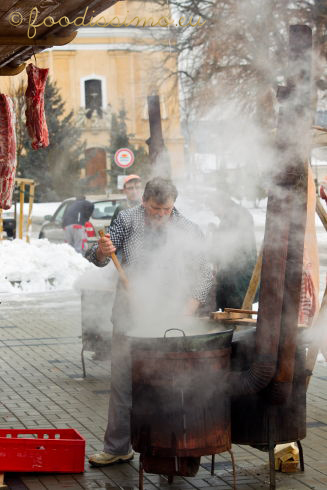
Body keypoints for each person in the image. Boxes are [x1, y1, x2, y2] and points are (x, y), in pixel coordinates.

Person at [85, 176, 213, 467]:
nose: (159, 215)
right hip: (129, 316)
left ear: (173, 206)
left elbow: (204, 274)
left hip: (168, 317)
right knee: (122, 383)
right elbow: (99, 255)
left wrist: (187, 311)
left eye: (165, 210)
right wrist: (101, 252)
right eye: (155, 209)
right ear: (144, 201)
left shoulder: (188, 230)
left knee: (168, 384)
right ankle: (118, 447)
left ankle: (170, 445)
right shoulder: (127, 219)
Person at [207, 191, 257, 310]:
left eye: (214, 208)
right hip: (235, 274)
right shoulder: (235, 213)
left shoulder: (234, 215)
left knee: (237, 313)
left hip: (237, 277)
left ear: (220, 204)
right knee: (236, 311)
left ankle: (235, 329)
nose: (214, 213)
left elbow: (228, 247)